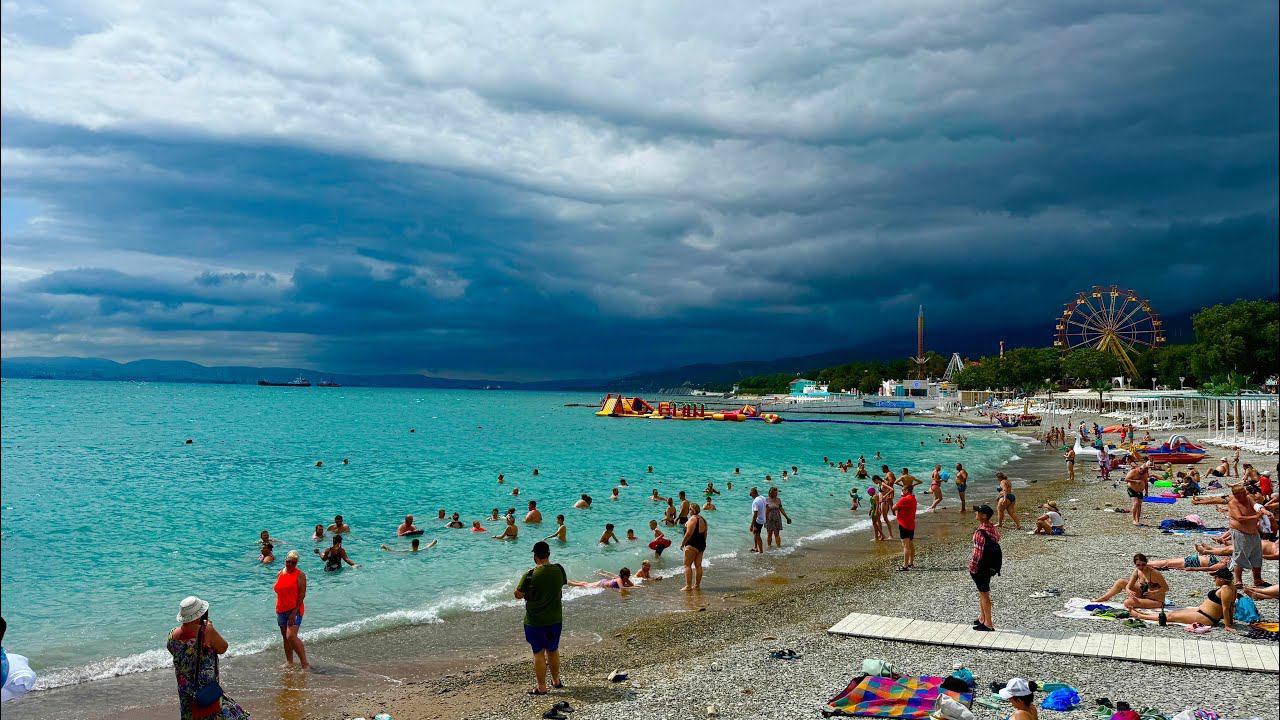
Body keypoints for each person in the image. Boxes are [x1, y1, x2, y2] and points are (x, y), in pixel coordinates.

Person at [168, 597, 250, 719]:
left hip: (187, 695)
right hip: (207, 692)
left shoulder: (172, 635)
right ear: (200, 614)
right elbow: (223, 648)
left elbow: (176, 652)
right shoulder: (206, 631)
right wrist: (209, 628)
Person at [514, 541, 567, 695]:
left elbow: (518, 595)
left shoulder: (530, 575)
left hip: (535, 621)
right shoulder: (559, 570)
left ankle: (541, 687)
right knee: (553, 650)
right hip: (555, 619)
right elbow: (561, 585)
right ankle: (556, 681)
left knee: (538, 653)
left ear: (535, 556)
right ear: (548, 554)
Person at [1131, 568, 1239, 630]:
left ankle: (1141, 616)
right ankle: (1145, 614)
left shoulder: (1226, 589)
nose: (1214, 580)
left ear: (1221, 579)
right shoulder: (1231, 587)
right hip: (1202, 613)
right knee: (1175, 613)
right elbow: (1231, 606)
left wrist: (1227, 625)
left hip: (1206, 617)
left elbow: (1226, 608)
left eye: (1215, 578)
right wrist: (1231, 621)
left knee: (1171, 617)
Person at [273, 552, 309, 670]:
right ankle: (289, 662)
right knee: (285, 637)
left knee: (291, 636)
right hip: (281, 609)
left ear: (296, 563)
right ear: (285, 561)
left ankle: (305, 664)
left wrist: (294, 612)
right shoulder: (280, 573)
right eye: (288, 561)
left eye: (293, 562)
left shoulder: (300, 575)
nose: (290, 564)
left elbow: (302, 594)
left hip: (294, 610)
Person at [969, 505, 1001, 631]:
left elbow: (978, 553)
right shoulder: (991, 527)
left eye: (978, 512)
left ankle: (988, 623)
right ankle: (982, 618)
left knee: (984, 594)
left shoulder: (980, 532)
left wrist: (973, 567)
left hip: (981, 567)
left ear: (984, 516)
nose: (976, 513)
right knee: (982, 592)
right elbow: (997, 538)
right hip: (989, 566)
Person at [1227, 483, 1266, 587]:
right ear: (1236, 495)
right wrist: (1256, 516)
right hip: (1240, 533)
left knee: (1256, 556)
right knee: (1239, 555)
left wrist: (1264, 511)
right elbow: (1239, 518)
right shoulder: (1232, 503)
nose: (1244, 495)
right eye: (1241, 493)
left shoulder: (1248, 498)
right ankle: (1238, 580)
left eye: (1244, 492)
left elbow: (1256, 506)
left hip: (1254, 532)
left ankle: (1257, 579)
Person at [1095, 553, 1167, 609]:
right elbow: (1128, 586)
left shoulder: (1154, 573)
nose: (1141, 567)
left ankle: (1140, 601)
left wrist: (1154, 592)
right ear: (1135, 564)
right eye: (1138, 565)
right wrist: (1129, 591)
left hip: (1156, 600)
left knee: (1127, 603)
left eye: (1143, 564)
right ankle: (1105, 598)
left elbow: (1166, 588)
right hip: (1143, 594)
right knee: (1121, 582)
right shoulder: (1137, 571)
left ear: (1146, 563)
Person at [680, 504, 708, 591]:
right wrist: (703, 543)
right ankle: (697, 585)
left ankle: (688, 586)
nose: (688, 511)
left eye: (690, 509)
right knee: (698, 565)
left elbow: (688, 533)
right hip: (701, 544)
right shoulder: (703, 519)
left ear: (693, 510)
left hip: (692, 544)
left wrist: (682, 543)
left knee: (687, 565)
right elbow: (705, 533)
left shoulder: (692, 519)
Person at [894, 483, 917, 570]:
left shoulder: (904, 499)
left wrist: (901, 499)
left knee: (905, 545)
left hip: (904, 524)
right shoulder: (913, 498)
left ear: (907, 491)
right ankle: (911, 563)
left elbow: (893, 507)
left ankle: (905, 565)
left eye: (903, 490)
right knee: (910, 544)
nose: (902, 491)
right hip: (911, 524)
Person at [1124, 462, 1151, 527]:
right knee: (1136, 503)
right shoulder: (1133, 472)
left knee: (1139, 505)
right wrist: (1135, 481)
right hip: (1132, 489)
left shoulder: (1145, 473)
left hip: (1140, 491)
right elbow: (1126, 479)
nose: (1144, 473)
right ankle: (1134, 520)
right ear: (1140, 469)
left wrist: (1146, 492)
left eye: (1145, 472)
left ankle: (1137, 520)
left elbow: (1146, 483)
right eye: (1143, 471)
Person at [569, 567, 635, 589]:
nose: (629, 575)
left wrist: (637, 586)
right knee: (585, 585)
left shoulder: (625, 579)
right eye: (628, 574)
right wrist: (636, 587)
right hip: (602, 583)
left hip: (604, 582)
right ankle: (570, 583)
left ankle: (571, 581)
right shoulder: (619, 579)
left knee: (587, 584)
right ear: (624, 575)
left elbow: (632, 585)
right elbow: (622, 588)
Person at [749, 487, 766, 553]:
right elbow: (767, 507)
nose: (751, 497)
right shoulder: (763, 497)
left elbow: (755, 514)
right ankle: (756, 547)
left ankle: (761, 551)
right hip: (762, 518)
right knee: (755, 533)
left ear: (754, 493)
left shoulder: (755, 501)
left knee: (757, 534)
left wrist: (752, 525)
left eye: (751, 495)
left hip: (758, 520)